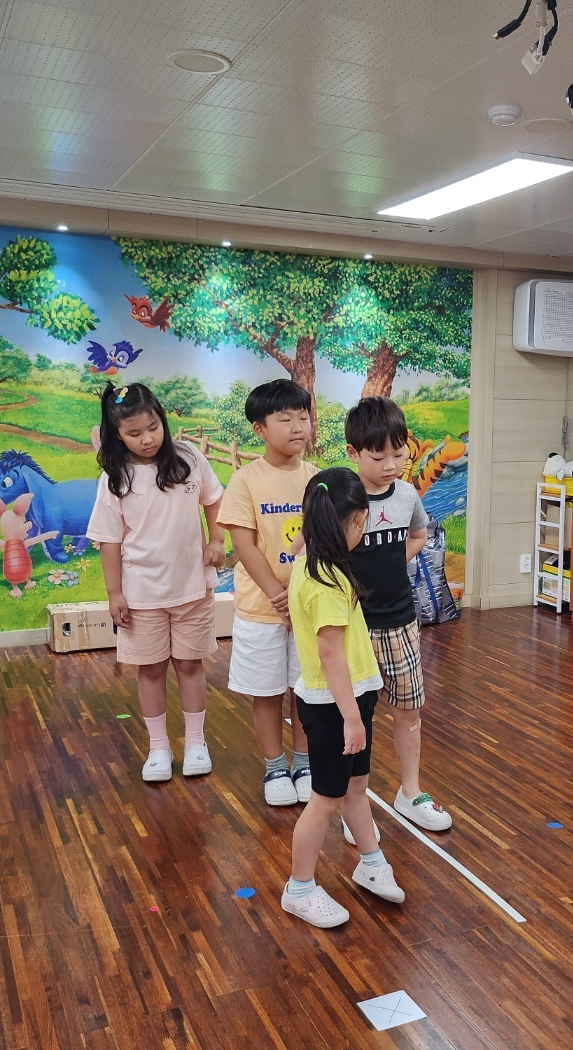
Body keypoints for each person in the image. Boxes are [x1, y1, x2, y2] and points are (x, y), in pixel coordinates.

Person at [282, 468, 405, 928]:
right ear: (349, 523)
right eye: (361, 522)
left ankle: (371, 862)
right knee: (325, 799)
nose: (364, 530)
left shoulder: (312, 562)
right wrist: (351, 718)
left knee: (355, 788)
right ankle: (299, 889)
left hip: (353, 697)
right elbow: (330, 654)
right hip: (335, 706)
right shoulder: (326, 583)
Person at [87, 382, 225, 783]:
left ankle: (196, 742)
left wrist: (217, 540)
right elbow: (109, 541)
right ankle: (159, 747)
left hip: (192, 587)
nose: (147, 439)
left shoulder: (188, 458)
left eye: (153, 428)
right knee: (150, 670)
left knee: (190, 664)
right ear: (117, 435)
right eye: (134, 433)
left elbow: (214, 499)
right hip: (142, 594)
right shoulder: (115, 478)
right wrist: (114, 593)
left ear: (162, 420)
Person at [342, 397, 453, 838]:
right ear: (353, 453)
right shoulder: (343, 498)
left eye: (398, 453)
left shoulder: (407, 495)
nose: (391, 465)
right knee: (358, 720)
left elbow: (420, 534)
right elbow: (315, 550)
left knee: (409, 711)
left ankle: (410, 793)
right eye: (378, 456)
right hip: (353, 629)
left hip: (402, 624)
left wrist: (392, 564)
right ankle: (354, 806)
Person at [218, 379, 318, 806]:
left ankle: (304, 762)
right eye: (285, 419)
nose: (298, 427)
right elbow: (244, 545)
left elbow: (322, 538)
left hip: (308, 608)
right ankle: (275, 765)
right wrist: (279, 595)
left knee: (306, 689)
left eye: (303, 417)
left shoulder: (317, 479)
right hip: (262, 609)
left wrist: (298, 595)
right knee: (268, 690)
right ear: (260, 428)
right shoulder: (246, 480)